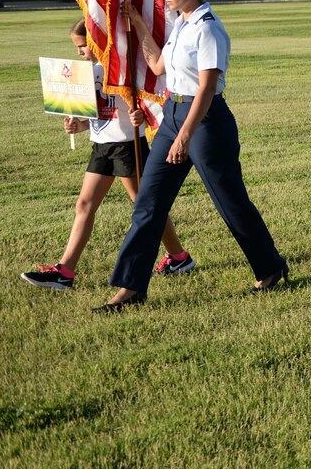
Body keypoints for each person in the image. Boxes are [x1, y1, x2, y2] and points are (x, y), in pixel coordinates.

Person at [93, 0, 287, 312]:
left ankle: (271, 268)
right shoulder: (180, 24)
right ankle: (130, 288)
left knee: (230, 202)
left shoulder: (209, 28)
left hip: (206, 123)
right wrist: (136, 20)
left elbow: (207, 88)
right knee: (148, 204)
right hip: (172, 115)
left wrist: (185, 136)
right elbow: (157, 64)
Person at [21, 20, 195, 291]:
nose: (79, 52)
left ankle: (178, 257)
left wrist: (142, 116)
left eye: (82, 46)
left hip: (128, 146)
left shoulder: (121, 69)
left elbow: (149, 102)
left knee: (148, 208)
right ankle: (64, 272)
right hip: (101, 146)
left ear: (97, 41)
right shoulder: (87, 74)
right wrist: (78, 125)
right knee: (84, 205)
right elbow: (95, 115)